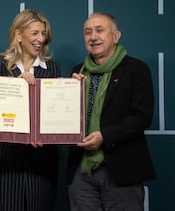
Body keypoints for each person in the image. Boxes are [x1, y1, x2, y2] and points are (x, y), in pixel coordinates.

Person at [67, 12, 156, 210]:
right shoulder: (77, 72)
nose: (93, 37)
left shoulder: (136, 69)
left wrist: (104, 136)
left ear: (116, 36)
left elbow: (142, 117)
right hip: (82, 172)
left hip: (121, 170)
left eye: (100, 30)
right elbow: (65, 118)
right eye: (87, 32)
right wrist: (69, 94)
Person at [0, 9, 60, 211]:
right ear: (18, 35)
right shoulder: (0, 63)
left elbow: (52, 112)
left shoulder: (52, 69)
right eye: (34, 33)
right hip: (7, 156)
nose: (40, 39)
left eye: (43, 34)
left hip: (41, 159)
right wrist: (18, 84)